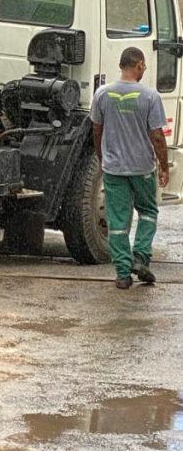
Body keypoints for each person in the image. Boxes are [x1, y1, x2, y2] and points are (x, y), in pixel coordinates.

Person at [90, 47, 169, 289]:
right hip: (142, 168)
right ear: (139, 65)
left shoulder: (102, 94)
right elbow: (157, 136)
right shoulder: (150, 97)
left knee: (118, 222)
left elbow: (96, 130)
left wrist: (103, 158)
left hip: (114, 169)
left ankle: (123, 274)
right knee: (148, 212)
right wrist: (163, 166)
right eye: (143, 66)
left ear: (121, 65)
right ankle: (141, 257)